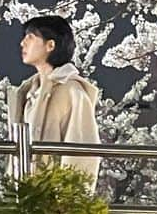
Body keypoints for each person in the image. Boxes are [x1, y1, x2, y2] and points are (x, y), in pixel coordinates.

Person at [6, 15, 101, 186]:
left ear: (50, 45)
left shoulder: (72, 91)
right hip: (29, 199)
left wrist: (69, 203)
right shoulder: (29, 93)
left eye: (31, 37)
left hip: (54, 202)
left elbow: (82, 151)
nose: (23, 43)